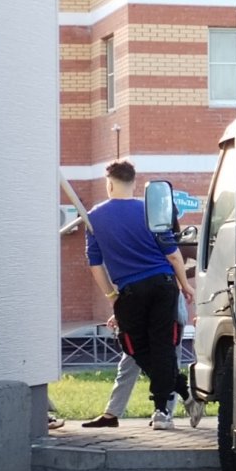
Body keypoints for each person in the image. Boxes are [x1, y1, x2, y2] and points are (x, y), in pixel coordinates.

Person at [86, 160, 195, 429]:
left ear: (108, 183)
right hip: (163, 285)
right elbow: (172, 254)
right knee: (162, 345)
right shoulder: (151, 209)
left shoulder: (94, 217)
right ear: (134, 182)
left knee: (134, 347)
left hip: (130, 291)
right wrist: (185, 285)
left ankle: (168, 401)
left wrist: (112, 296)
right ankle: (170, 401)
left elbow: (95, 265)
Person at [82, 291, 204, 429]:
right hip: (141, 312)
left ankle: (165, 412)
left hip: (166, 309)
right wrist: (121, 313)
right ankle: (112, 413)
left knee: (167, 362)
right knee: (130, 363)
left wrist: (187, 287)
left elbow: (171, 278)